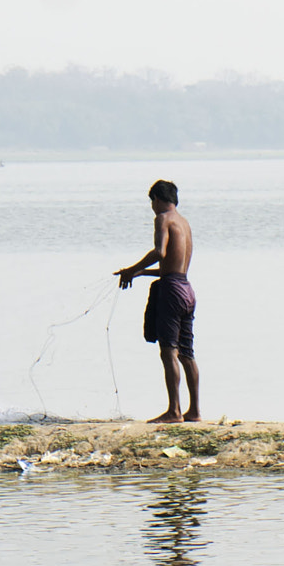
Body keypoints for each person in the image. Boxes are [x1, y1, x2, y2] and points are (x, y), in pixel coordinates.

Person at [117, 179, 201, 422]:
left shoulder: (163, 219)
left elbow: (160, 253)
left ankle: (174, 411)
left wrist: (132, 269)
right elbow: (174, 266)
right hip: (186, 288)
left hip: (172, 292)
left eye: (152, 201)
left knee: (169, 352)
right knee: (187, 353)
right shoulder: (184, 223)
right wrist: (141, 273)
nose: (152, 207)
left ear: (158, 199)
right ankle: (194, 411)